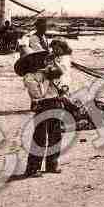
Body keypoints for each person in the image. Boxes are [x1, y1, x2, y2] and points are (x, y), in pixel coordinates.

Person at [15, 45, 64, 177]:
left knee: (56, 136)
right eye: (31, 60)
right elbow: (38, 94)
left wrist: (54, 65)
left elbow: (61, 74)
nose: (35, 62)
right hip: (42, 105)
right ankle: (33, 168)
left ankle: (52, 164)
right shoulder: (29, 77)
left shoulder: (46, 71)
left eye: (36, 59)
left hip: (55, 103)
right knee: (40, 138)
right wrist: (47, 78)